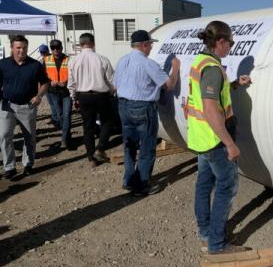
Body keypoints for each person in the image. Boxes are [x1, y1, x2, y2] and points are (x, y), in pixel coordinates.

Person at [186, 21, 252, 255]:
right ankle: (217, 244)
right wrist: (230, 143)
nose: (232, 47)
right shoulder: (213, 68)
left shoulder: (201, 61)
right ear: (220, 42)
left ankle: (206, 232)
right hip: (214, 139)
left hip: (200, 137)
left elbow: (209, 93)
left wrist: (234, 83)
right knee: (227, 186)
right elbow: (211, 109)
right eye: (231, 42)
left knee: (204, 184)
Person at [113, 30, 180, 196]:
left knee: (129, 145)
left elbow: (115, 85)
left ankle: (128, 181)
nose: (151, 47)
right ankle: (141, 185)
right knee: (147, 147)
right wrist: (176, 68)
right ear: (144, 45)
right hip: (142, 107)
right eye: (150, 44)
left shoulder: (122, 60)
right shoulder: (147, 63)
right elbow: (169, 85)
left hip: (123, 106)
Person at [0, 35, 49, 178]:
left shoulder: (35, 65)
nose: (21, 51)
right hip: (7, 106)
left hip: (27, 106)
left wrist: (39, 96)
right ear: (12, 48)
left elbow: (45, 83)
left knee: (30, 137)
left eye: (24, 48)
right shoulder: (3, 64)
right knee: (4, 136)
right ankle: (9, 167)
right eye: (18, 48)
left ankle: (28, 164)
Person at [67, 33, 114, 167]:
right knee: (108, 121)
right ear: (93, 43)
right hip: (101, 95)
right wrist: (112, 92)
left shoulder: (73, 61)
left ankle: (90, 157)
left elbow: (71, 83)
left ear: (80, 44)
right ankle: (101, 148)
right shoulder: (102, 59)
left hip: (83, 95)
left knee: (88, 126)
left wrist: (74, 97)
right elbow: (111, 80)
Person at [43, 39, 72, 149]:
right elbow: (42, 76)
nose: (56, 50)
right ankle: (67, 134)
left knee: (67, 115)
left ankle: (64, 139)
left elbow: (73, 74)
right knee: (59, 116)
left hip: (66, 92)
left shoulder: (68, 60)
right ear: (51, 49)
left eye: (57, 48)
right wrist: (50, 83)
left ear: (61, 48)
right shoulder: (46, 60)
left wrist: (66, 82)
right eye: (53, 48)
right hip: (53, 92)